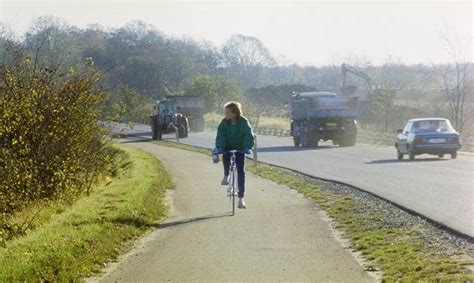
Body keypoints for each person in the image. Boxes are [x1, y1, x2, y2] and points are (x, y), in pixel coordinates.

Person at [214, 102, 255, 209]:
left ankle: (241, 199)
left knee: (241, 171)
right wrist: (220, 147)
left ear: (235, 113)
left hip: (241, 149)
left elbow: (248, 134)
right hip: (227, 147)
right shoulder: (224, 122)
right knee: (226, 157)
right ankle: (226, 175)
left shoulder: (243, 122)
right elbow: (221, 135)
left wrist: (247, 147)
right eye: (225, 112)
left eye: (228, 112)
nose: (225, 114)